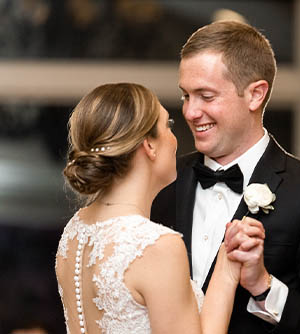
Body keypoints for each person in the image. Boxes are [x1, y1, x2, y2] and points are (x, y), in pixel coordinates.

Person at [151, 21, 300, 334]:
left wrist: (264, 286)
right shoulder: (162, 183)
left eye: (206, 96)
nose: (190, 112)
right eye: (186, 96)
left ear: (255, 95)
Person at [56, 82, 265, 334]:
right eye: (168, 126)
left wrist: (226, 267)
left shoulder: (74, 232)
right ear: (149, 145)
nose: (174, 138)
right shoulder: (155, 245)